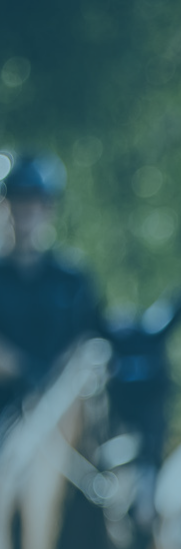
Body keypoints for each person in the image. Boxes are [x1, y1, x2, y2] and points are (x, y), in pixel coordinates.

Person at [0, 151, 103, 422]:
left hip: (66, 407)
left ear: (49, 208)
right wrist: (27, 371)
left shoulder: (72, 280)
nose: (25, 211)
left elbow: (88, 337)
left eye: (33, 202)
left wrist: (57, 376)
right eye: (17, 200)